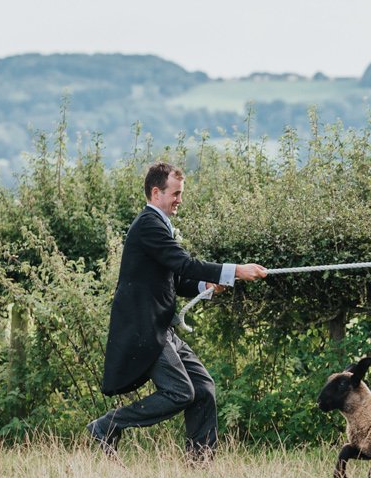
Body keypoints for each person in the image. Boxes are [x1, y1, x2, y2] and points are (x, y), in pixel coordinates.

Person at [88, 161, 267, 459]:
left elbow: (176, 278)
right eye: (175, 193)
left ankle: (200, 464)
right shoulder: (148, 225)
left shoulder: (159, 226)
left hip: (161, 326)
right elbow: (184, 263)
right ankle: (108, 425)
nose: (179, 200)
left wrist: (204, 287)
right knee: (181, 392)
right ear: (156, 192)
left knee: (204, 388)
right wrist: (235, 270)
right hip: (145, 329)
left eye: (181, 193)